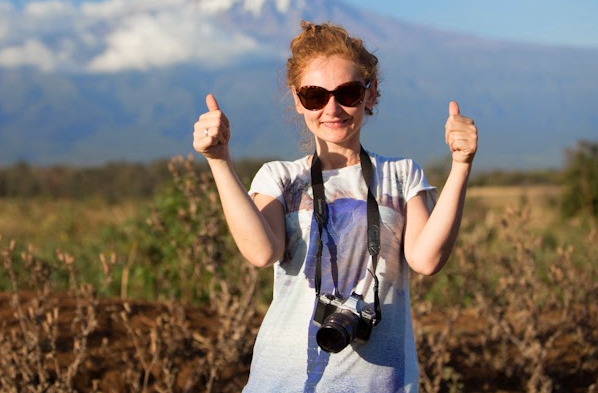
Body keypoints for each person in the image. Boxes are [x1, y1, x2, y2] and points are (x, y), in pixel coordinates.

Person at [192, 20, 478, 392]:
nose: (332, 108)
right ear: (298, 100)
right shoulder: (280, 177)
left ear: (370, 95)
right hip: (284, 381)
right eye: (314, 95)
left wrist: (461, 165)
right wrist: (218, 160)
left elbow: (426, 260)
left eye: (348, 93)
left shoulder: (402, 174)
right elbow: (262, 252)